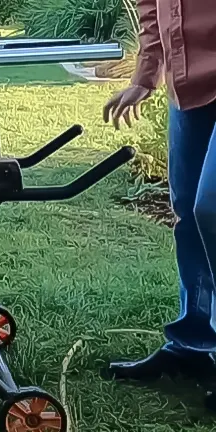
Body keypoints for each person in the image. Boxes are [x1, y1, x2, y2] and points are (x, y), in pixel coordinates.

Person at [101, 0, 216, 383]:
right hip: (188, 84)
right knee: (187, 215)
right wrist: (144, 76)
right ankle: (195, 344)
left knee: (211, 209)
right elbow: (154, 8)